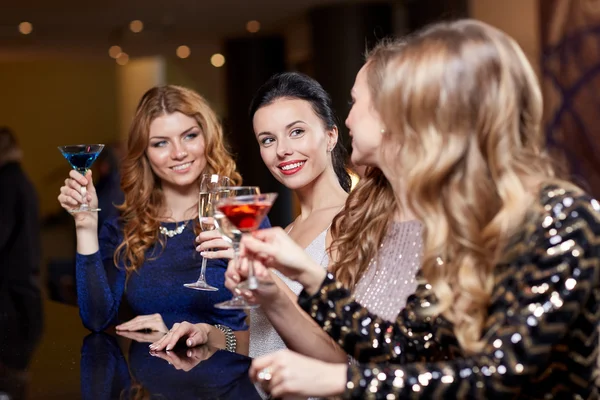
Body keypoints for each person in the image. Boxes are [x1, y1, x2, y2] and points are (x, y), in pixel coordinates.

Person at [240, 19, 600, 399]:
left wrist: (341, 382)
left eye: (358, 102)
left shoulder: (561, 217)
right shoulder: (455, 224)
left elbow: (503, 376)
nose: (348, 118)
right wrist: (305, 273)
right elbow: (402, 348)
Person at [152, 68, 423, 363]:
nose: (283, 150)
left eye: (297, 132)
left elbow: (340, 353)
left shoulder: (359, 223)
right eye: (268, 140)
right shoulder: (286, 231)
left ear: (331, 135)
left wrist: (261, 273)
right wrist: (208, 333)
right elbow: (268, 342)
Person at [58, 85, 257, 354]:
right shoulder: (125, 227)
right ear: (145, 154)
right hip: (153, 389)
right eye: (160, 143)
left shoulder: (240, 216)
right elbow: (96, 320)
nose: (178, 153)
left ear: (207, 138)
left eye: (189, 136)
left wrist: (183, 330)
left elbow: (269, 334)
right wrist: (85, 224)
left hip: (224, 386)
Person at [0, 127, 43, 400]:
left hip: (10, 293)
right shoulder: (22, 180)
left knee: (11, 371)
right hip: (26, 286)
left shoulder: (5, 182)